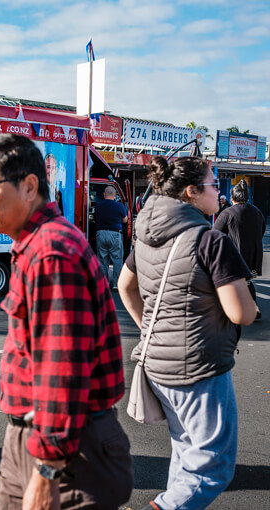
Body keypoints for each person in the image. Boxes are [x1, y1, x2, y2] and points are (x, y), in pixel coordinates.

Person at [0, 134, 132, 510]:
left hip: (68, 457)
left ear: (28, 186)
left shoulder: (51, 254)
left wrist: (46, 471)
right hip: (37, 442)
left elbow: (63, 371)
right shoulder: (34, 244)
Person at [118, 156, 256, 510]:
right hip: (198, 367)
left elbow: (125, 285)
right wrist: (252, 307)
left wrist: (148, 325)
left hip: (157, 364)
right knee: (213, 467)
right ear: (192, 192)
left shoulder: (146, 235)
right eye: (214, 185)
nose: (220, 192)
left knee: (186, 452)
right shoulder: (210, 241)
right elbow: (240, 313)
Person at [214, 179, 266, 321]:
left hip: (235, 256)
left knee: (227, 283)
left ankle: (227, 311)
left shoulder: (227, 213)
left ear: (232, 197)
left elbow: (215, 234)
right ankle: (254, 309)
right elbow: (261, 231)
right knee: (246, 282)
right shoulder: (257, 211)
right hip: (254, 256)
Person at [95, 186, 128, 289]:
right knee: (117, 259)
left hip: (101, 234)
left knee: (102, 259)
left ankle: (104, 284)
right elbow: (125, 220)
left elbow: (95, 218)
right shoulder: (119, 206)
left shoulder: (98, 206)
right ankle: (116, 284)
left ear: (104, 194)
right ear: (114, 195)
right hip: (115, 234)